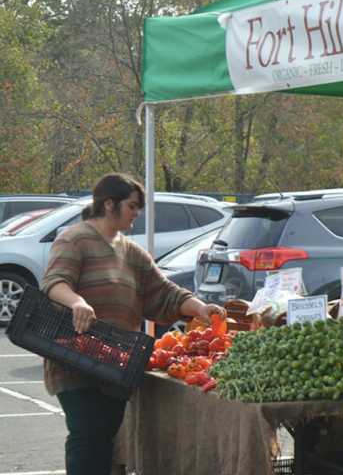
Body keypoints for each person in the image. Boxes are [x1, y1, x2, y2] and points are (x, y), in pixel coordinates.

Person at [41, 173, 226, 475]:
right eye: (132, 206)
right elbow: (54, 283)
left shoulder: (132, 252)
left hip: (116, 363)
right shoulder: (74, 239)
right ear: (109, 204)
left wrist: (201, 308)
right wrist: (77, 302)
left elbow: (165, 293)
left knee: (105, 437)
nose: (137, 214)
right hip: (73, 360)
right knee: (87, 435)